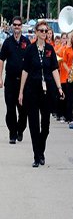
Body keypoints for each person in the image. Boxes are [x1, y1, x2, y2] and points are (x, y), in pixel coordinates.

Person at [17, 21, 64, 167]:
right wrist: (21, 91)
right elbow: (25, 71)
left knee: (46, 125)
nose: (44, 33)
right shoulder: (30, 49)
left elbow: (54, 69)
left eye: (46, 31)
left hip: (47, 90)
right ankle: (37, 156)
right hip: (32, 89)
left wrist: (59, 87)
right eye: (42, 30)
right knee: (33, 124)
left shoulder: (50, 49)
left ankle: (41, 148)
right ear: (36, 32)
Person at [0, 16, 30, 144]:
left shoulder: (27, 42)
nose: (16, 27)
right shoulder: (7, 42)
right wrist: (0, 77)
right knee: (10, 109)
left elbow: (30, 62)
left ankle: (20, 129)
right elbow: (1, 60)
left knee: (23, 111)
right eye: (15, 25)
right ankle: (12, 133)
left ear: (21, 26)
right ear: (12, 26)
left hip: (23, 83)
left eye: (18, 25)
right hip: (10, 81)